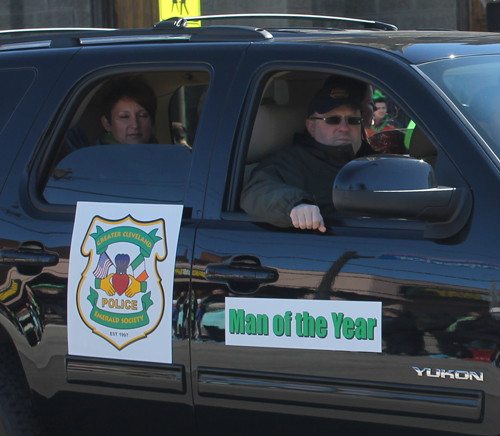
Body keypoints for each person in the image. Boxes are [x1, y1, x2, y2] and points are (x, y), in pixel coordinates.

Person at [241, 82, 374, 233]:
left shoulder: (370, 161)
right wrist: (296, 204)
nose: (344, 127)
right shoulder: (291, 161)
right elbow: (256, 191)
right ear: (311, 127)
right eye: (332, 120)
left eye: (353, 120)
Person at [98, 75, 158, 145]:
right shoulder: (94, 155)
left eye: (142, 115)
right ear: (107, 124)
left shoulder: (164, 154)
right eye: (124, 116)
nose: (135, 125)